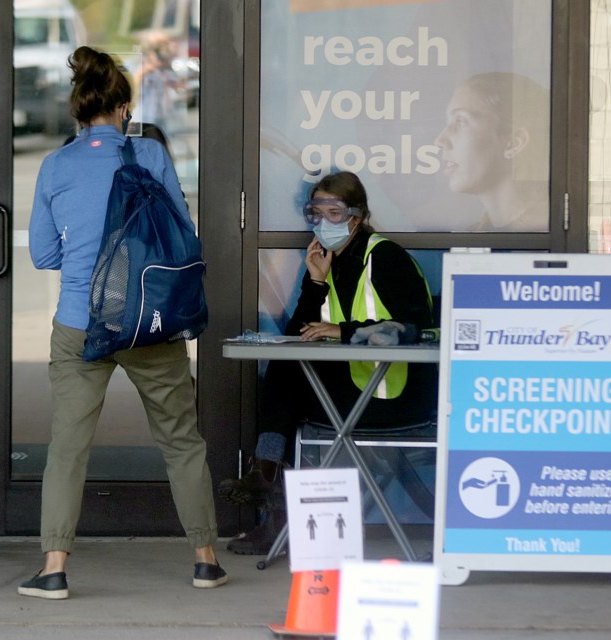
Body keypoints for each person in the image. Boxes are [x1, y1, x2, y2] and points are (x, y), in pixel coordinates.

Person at [19, 45, 227, 599]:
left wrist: (85, 253)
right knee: (181, 439)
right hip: (147, 319)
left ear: (78, 109)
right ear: (124, 108)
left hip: (79, 323)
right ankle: (206, 560)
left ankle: (54, 568)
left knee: (68, 447)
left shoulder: (55, 165)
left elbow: (42, 254)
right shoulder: (149, 156)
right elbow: (180, 233)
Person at [218, 171, 437, 555]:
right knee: (285, 368)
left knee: (286, 377)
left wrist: (343, 330)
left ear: (358, 215)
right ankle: (269, 490)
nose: (323, 222)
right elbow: (299, 331)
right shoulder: (326, 259)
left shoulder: (385, 257)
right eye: (314, 212)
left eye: (333, 212)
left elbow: (419, 327)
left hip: (394, 396)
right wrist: (316, 281)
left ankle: (268, 490)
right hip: (355, 389)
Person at [434, 72, 550, 232]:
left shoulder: (546, 237)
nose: (440, 141)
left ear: (513, 143)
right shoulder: (470, 240)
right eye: (448, 123)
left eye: (460, 121)